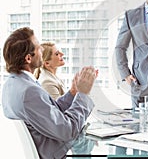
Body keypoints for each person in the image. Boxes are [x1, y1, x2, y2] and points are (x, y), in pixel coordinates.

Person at [1, 27, 97, 158]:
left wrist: (73, 93)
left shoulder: (13, 83)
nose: (42, 50)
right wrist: (83, 94)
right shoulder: (29, 91)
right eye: (38, 48)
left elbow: (48, 111)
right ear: (28, 58)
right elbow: (68, 131)